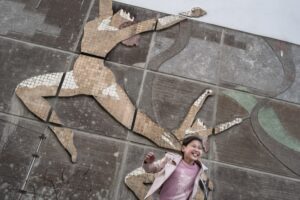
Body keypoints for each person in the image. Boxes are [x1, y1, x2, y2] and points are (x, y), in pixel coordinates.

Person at [142, 135, 210, 200]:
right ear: (183, 148)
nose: (197, 150)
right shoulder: (171, 160)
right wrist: (148, 163)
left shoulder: (199, 169)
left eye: (200, 148)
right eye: (194, 146)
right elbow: (151, 168)